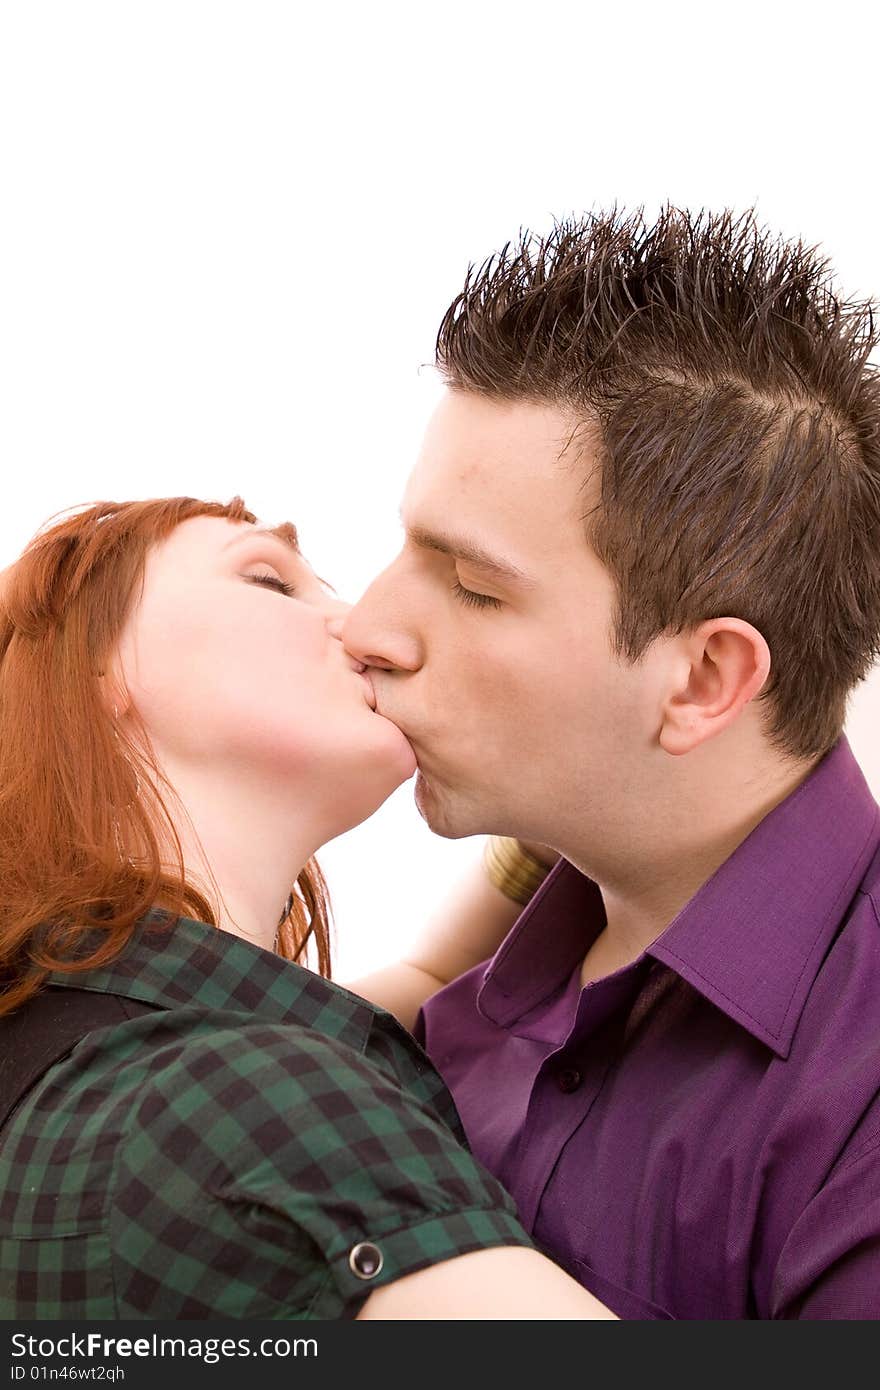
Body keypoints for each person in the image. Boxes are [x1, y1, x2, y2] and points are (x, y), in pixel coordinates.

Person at [343, 207, 880, 1319]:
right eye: (406, 547)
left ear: (699, 681)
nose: (368, 627)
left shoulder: (852, 1094)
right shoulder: (505, 953)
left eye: (476, 587)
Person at [0, 495, 616, 1320]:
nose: (362, 625)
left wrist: (549, 819)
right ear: (96, 670)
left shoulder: (72, 1060)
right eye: (271, 580)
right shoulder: (242, 1097)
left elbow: (425, 974)